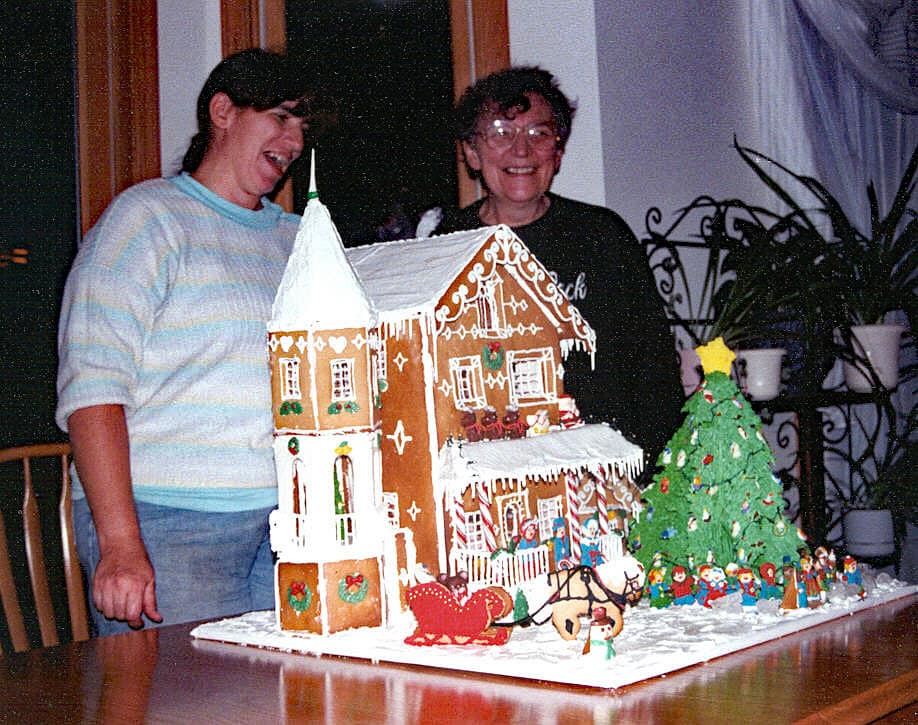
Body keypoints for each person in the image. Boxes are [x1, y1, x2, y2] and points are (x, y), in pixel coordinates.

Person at [56, 48, 311, 635]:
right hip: (167, 525)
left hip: (288, 527)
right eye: (280, 117)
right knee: (180, 690)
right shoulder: (147, 219)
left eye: (302, 127)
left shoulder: (298, 239)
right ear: (223, 112)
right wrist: (121, 544)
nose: (294, 141)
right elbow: (93, 391)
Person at [435, 67, 683, 473]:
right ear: (472, 153)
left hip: (608, 469)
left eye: (539, 133)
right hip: (488, 473)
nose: (521, 150)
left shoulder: (603, 237)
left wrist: (654, 474)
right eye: (500, 133)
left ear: (558, 151)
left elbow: (655, 370)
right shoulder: (447, 244)